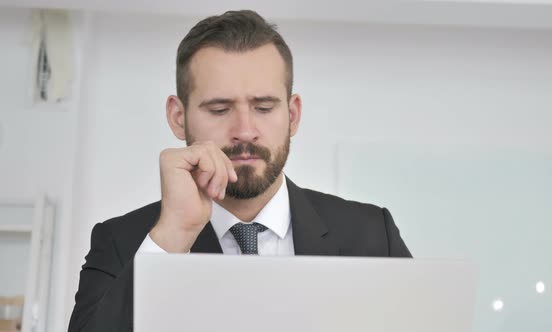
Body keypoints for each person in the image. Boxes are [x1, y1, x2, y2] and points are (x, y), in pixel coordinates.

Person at [68, 9, 412, 332]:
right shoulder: (121, 242)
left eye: (263, 107)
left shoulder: (372, 236)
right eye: (219, 109)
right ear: (178, 117)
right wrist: (172, 238)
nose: (245, 130)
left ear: (292, 115)